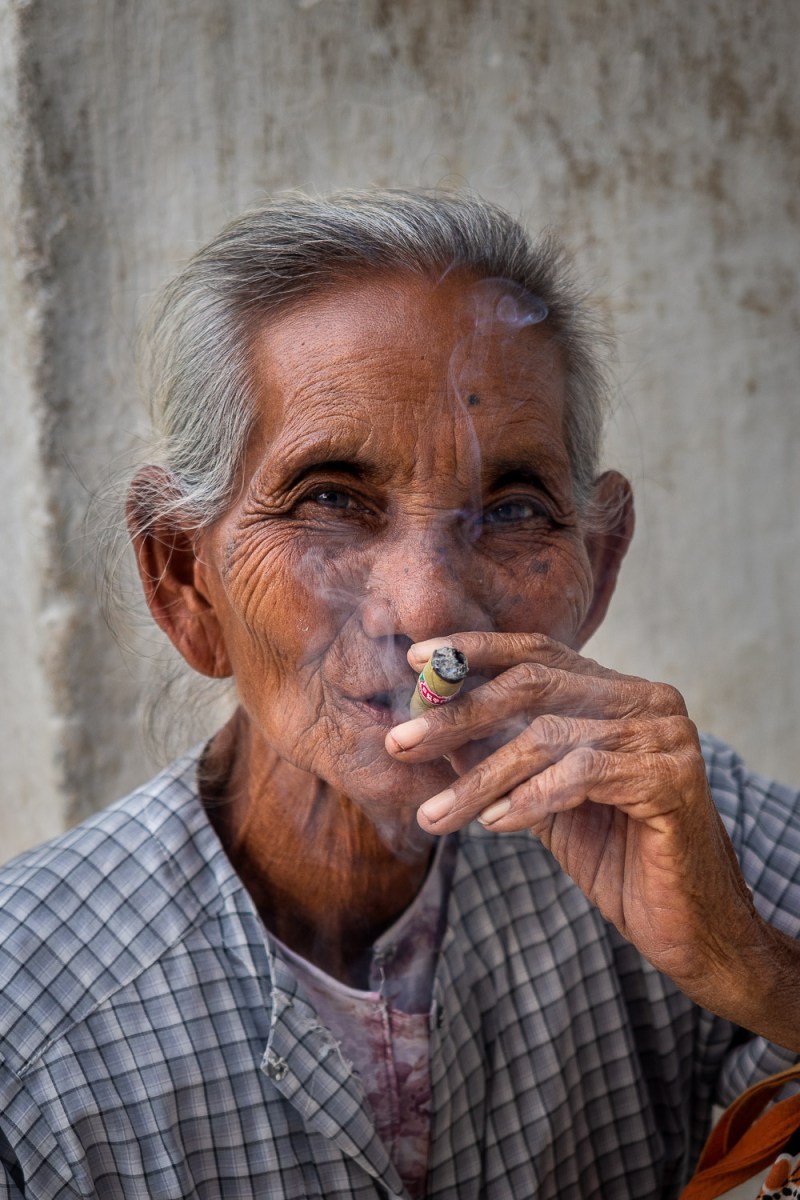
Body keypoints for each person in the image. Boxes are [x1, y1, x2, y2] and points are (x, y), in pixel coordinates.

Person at [0, 190, 798, 1200]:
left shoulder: (675, 835)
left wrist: (750, 967)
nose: (424, 608)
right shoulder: (24, 1028)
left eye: (511, 509)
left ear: (595, 569)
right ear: (182, 578)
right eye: (329, 498)